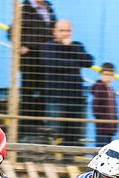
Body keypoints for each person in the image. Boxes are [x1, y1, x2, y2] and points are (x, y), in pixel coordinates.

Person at [41, 19, 94, 147]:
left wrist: (69, 49)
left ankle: (69, 157)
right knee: (53, 133)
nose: (65, 33)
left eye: (68, 31)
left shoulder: (77, 45)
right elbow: (53, 64)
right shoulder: (48, 46)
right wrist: (74, 60)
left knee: (73, 136)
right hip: (56, 98)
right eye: (62, 30)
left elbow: (89, 61)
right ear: (54, 32)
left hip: (75, 98)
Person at [13, 0, 57, 133]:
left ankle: (39, 126)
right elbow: (12, 31)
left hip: (46, 60)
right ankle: (25, 128)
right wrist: (23, 44)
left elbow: (52, 32)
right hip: (31, 60)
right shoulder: (25, 9)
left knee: (43, 93)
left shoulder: (49, 8)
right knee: (28, 94)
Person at [91, 62, 119, 147]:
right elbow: (95, 107)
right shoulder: (99, 87)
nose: (108, 77)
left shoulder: (111, 90)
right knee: (101, 150)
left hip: (110, 128)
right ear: (101, 75)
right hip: (102, 128)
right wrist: (103, 121)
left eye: (111, 75)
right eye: (106, 74)